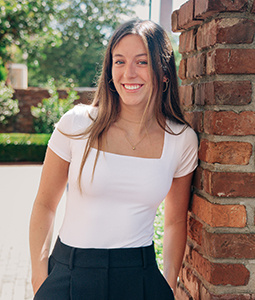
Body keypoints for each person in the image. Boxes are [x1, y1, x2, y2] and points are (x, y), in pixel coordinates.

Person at [29, 19, 198, 300]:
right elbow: (45, 204)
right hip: (69, 274)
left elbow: (175, 221)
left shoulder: (181, 140)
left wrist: (168, 285)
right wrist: (39, 278)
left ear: (164, 72)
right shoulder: (76, 124)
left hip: (139, 278)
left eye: (141, 62)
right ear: (109, 69)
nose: (128, 73)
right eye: (119, 62)